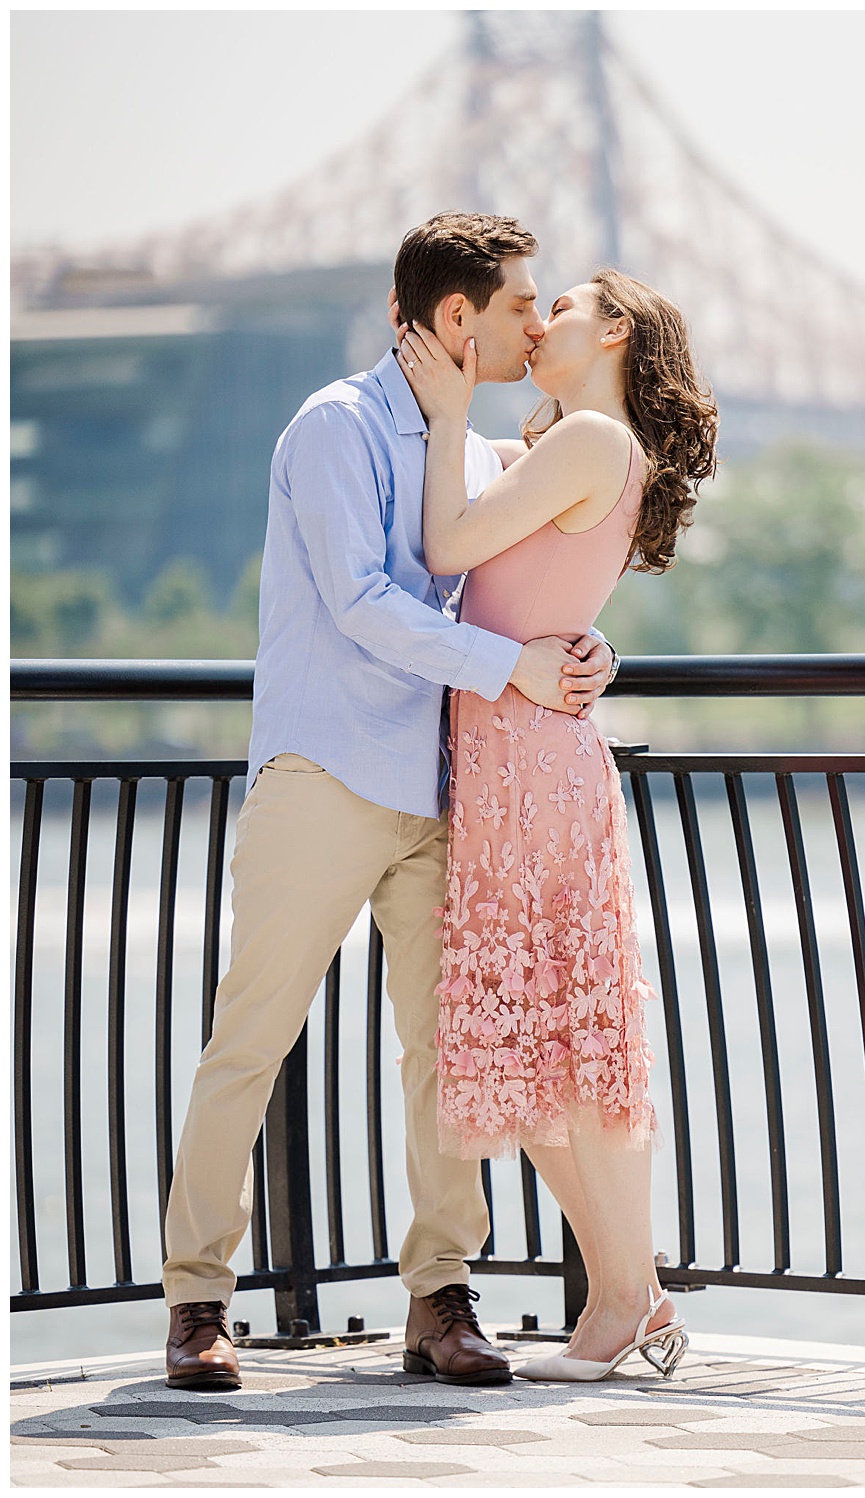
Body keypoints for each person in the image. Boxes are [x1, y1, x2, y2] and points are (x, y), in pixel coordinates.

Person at [161, 213, 615, 1393]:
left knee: (443, 1056)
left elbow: (516, 586)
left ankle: (440, 1297)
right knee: (250, 1042)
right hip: (326, 771)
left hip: (441, 788)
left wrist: (576, 647)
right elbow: (362, 601)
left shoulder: (471, 452)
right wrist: (509, 666)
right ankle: (198, 1301)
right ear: (456, 316)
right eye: (519, 303)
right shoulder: (335, 426)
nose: (533, 319)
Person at [397, 259, 718, 1382]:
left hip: (528, 767)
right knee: (543, 1058)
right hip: (508, 762)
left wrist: (448, 415)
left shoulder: (586, 441)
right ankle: (631, 1293)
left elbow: (448, 549)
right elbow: (527, 588)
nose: (535, 324)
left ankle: (623, 1299)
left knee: (569, 1055)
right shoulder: (571, 441)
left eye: (561, 309)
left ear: (616, 328)